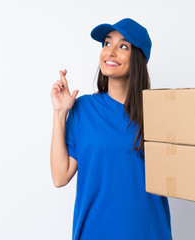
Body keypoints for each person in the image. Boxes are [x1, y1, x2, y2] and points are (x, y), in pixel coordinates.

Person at [50, 18, 173, 240]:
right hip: (95, 232)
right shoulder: (83, 109)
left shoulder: (159, 113)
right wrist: (60, 113)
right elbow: (60, 176)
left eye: (123, 46)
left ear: (138, 59)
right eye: (107, 43)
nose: (111, 51)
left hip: (147, 232)